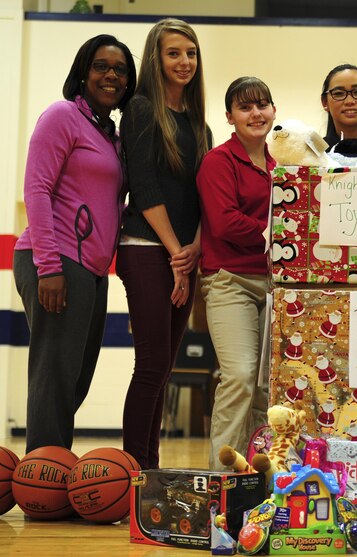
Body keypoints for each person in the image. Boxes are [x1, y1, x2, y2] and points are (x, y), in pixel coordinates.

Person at [13, 34, 136, 453]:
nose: (111, 75)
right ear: (83, 73)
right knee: (55, 375)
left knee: (75, 377)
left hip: (93, 271)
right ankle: (43, 477)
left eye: (120, 70)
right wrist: (49, 268)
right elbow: (37, 189)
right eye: (101, 66)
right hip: (55, 260)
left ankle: (52, 467)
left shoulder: (112, 137)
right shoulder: (61, 116)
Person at [118, 18, 210, 469]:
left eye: (190, 53)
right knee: (151, 366)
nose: (184, 62)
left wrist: (192, 250)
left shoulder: (198, 123)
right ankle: (134, 472)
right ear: (156, 58)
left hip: (182, 255)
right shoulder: (138, 109)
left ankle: (148, 470)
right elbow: (145, 188)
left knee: (164, 372)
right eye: (174, 53)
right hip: (144, 248)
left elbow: (201, 198)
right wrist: (178, 253)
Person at [196, 77, 275, 468]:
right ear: (230, 117)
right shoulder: (218, 161)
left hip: (276, 285)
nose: (256, 113)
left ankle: (259, 482)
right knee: (241, 376)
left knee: (267, 389)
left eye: (263, 104)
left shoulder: (281, 164)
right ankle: (221, 481)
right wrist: (275, 234)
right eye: (245, 107)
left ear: (274, 111)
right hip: (231, 281)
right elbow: (225, 223)